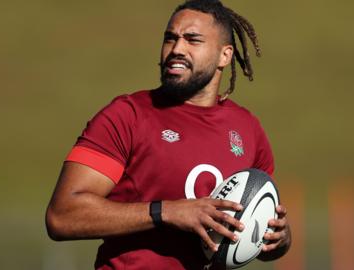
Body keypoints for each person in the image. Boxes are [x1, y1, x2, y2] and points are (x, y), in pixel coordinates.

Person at [46, 0, 291, 269]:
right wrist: (167, 211)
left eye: (192, 40)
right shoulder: (127, 116)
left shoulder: (248, 129)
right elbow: (62, 216)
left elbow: (257, 233)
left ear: (225, 55)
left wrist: (278, 239)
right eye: (170, 39)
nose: (176, 49)